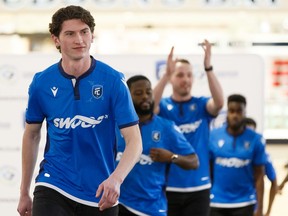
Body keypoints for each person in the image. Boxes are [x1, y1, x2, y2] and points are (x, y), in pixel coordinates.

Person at [17, 5, 142, 216]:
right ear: (56, 39)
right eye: (70, 34)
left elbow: (135, 141)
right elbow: (31, 135)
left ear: (92, 36)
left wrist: (116, 180)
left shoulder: (113, 81)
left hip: (100, 192)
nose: (79, 40)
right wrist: (23, 192)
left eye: (84, 32)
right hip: (53, 184)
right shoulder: (41, 82)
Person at [153, 39, 224, 216]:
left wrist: (208, 68)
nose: (185, 79)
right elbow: (149, 107)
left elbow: (219, 103)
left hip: (199, 187)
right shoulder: (163, 106)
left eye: (189, 75)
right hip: (168, 186)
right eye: (179, 75)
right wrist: (165, 76)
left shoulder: (201, 105)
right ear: (171, 78)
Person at [116, 75, 199, 216]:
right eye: (138, 93)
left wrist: (172, 157)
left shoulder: (167, 127)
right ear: (127, 97)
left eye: (149, 92)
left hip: (152, 208)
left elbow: (194, 161)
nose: (145, 97)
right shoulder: (114, 125)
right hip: (118, 203)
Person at [209, 94, 267, 216]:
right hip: (217, 202)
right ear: (227, 113)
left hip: (245, 202)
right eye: (231, 111)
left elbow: (259, 176)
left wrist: (260, 209)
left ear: (245, 113)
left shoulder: (256, 140)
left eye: (239, 111)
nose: (235, 115)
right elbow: (208, 171)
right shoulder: (213, 136)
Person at [245, 117, 278, 216]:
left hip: (252, 207)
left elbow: (274, 182)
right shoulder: (227, 153)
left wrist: (267, 211)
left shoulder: (263, 156)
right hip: (227, 205)